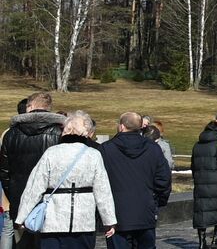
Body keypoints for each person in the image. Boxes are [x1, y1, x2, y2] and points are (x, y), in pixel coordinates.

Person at [13, 112, 115, 249]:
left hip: (53, 222)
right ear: (86, 132)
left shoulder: (51, 153)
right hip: (83, 222)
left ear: (65, 130)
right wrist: (109, 220)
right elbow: (103, 191)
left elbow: (34, 187)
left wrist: (21, 217)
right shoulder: (93, 155)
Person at [0, 93, 65, 249]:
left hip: (19, 197)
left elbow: (4, 171)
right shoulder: (59, 133)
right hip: (51, 199)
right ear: (48, 107)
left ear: (29, 107)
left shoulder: (11, 134)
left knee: (22, 243)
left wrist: (13, 194)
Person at [99, 111, 170, 249]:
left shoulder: (106, 149)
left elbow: (99, 183)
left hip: (117, 213)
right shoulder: (153, 148)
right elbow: (163, 180)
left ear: (121, 127)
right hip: (144, 211)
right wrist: (157, 202)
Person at [189, 122, 217, 249]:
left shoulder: (197, 145)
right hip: (216, 184)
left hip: (200, 183)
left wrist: (196, 179)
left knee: (201, 213)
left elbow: (193, 166)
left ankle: (202, 242)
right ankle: (216, 239)